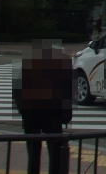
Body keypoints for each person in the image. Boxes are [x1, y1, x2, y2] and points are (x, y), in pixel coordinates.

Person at [12, 40, 72, 174]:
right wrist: (66, 115)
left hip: (30, 113)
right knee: (55, 152)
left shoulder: (26, 61)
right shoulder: (63, 63)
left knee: (33, 152)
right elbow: (67, 91)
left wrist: (22, 110)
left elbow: (16, 90)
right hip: (53, 113)